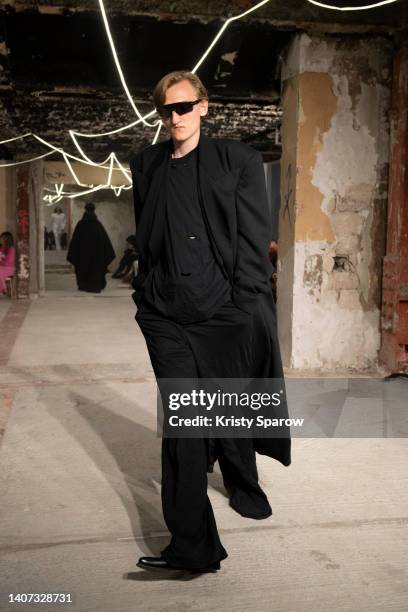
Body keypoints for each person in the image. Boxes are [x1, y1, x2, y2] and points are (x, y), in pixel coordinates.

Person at [130, 71, 291, 573]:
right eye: (165, 111)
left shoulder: (235, 160)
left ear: (203, 106)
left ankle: (243, 481)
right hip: (165, 314)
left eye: (183, 108)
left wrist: (243, 304)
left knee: (225, 406)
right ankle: (192, 546)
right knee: (184, 423)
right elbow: (147, 231)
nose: (173, 118)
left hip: (222, 311)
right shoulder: (147, 163)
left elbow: (253, 236)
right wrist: (145, 290)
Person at [67, 202, 115, 293]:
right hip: (97, 257)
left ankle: (83, 284)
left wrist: (75, 254)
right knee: (96, 268)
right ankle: (96, 284)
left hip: (83, 256)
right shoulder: (98, 225)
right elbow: (106, 243)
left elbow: (75, 242)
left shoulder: (81, 225)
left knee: (83, 267)